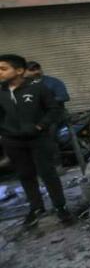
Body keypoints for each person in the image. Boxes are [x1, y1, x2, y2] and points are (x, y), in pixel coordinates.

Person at [0, 54, 73, 226]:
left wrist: (41, 126)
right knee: (25, 175)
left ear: (19, 71)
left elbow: (54, 109)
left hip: (39, 139)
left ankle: (60, 207)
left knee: (48, 173)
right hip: (13, 141)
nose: (0, 73)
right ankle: (36, 207)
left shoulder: (37, 88)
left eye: (3, 69)